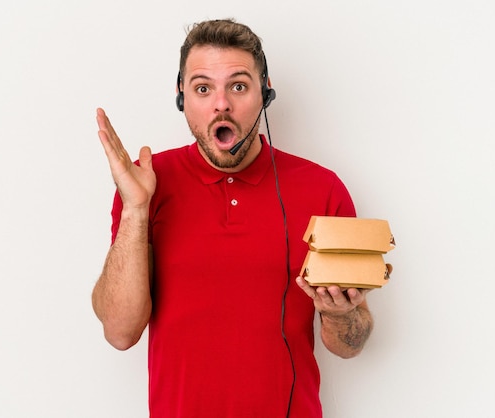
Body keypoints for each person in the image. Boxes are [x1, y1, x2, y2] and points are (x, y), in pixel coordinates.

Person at [92, 18, 375, 418]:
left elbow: (351, 344)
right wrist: (136, 209)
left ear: (265, 92)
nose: (221, 103)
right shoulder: (146, 183)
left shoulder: (323, 189)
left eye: (238, 86)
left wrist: (340, 312)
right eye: (203, 88)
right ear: (181, 96)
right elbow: (120, 333)